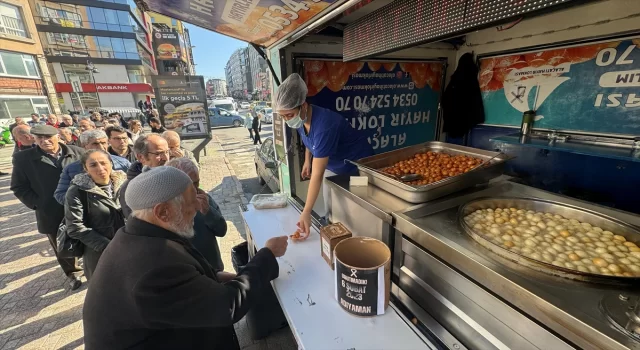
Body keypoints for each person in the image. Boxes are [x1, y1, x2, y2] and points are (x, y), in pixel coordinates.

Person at [83, 166, 288, 349]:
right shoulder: (154, 267)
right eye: (192, 201)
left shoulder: (136, 235)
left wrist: (213, 276)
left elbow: (181, 279)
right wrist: (267, 254)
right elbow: (227, 306)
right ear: (163, 212)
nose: (199, 208)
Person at [275, 73, 373, 237]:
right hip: (334, 164)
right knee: (333, 206)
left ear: (303, 106)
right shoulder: (302, 119)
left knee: (357, 209)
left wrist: (306, 211)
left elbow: (317, 174)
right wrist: (307, 160)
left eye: (289, 115)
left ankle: (356, 240)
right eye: (282, 116)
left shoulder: (325, 125)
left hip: (358, 167)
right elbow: (309, 140)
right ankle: (334, 228)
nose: (287, 120)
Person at [10, 125, 85, 290]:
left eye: (48, 137)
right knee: (61, 243)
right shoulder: (24, 159)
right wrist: (38, 204)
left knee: (88, 237)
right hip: (50, 210)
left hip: (82, 207)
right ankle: (73, 273)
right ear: (34, 139)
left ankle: (93, 267)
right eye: (39, 138)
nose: (44, 141)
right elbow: (18, 186)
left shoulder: (77, 152)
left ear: (57, 136)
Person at [64, 150, 126, 280]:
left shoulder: (125, 184)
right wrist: (108, 246)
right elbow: (75, 227)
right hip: (99, 252)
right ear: (85, 168)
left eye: (103, 163)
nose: (100, 168)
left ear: (111, 163)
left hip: (128, 246)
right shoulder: (77, 191)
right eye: (93, 165)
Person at [166, 158, 226, 270]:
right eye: (189, 185)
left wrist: (208, 211)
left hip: (214, 270)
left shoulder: (205, 199)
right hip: (188, 274)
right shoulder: (165, 209)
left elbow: (221, 230)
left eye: (197, 183)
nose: (195, 189)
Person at [54, 130, 130, 204]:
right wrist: (87, 203)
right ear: (84, 146)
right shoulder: (71, 168)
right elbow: (60, 195)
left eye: (103, 143)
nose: (101, 147)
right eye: (95, 143)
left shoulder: (123, 163)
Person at [119, 134, 169, 217]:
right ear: (141, 157)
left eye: (167, 152)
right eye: (159, 154)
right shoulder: (130, 188)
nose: (166, 158)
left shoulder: (175, 177)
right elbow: (136, 222)